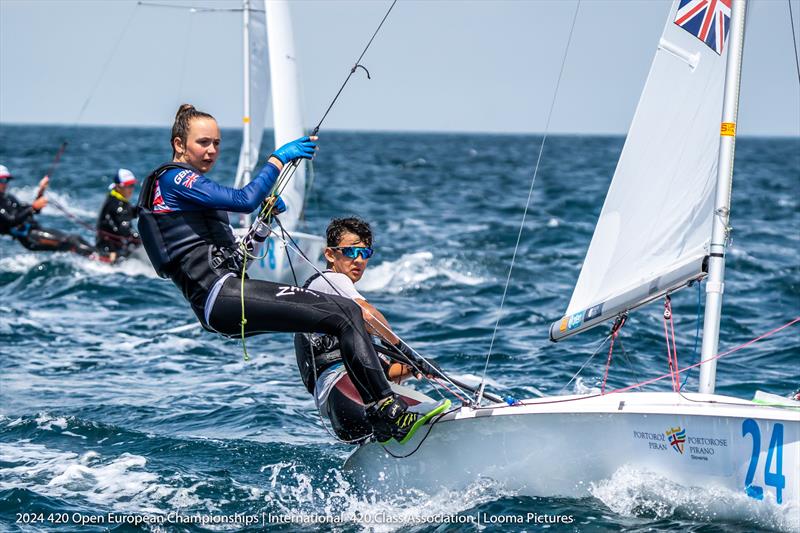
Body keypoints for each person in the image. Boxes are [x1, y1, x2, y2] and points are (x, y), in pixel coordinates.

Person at [136, 104, 449, 445]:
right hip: (221, 297)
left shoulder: (194, 200)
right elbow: (243, 199)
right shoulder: (173, 179)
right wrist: (277, 158)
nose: (211, 150)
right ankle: (385, 410)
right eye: (202, 143)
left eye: (217, 143)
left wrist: (264, 223)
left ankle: (366, 408)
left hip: (225, 298)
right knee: (347, 312)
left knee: (335, 318)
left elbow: (238, 264)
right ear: (180, 144)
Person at [294, 217, 444, 443]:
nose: (359, 261)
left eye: (365, 254)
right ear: (330, 255)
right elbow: (367, 314)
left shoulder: (334, 303)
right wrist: (403, 350)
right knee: (443, 416)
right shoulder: (329, 280)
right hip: (351, 391)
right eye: (352, 252)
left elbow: (381, 371)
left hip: (343, 412)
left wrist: (412, 368)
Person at [0, 165, 94, 256]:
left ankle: (100, 256)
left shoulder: (8, 198)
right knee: (72, 241)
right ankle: (101, 259)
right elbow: (11, 221)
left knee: (74, 240)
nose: (5, 184)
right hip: (30, 237)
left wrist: (40, 192)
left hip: (36, 231)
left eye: (6, 180)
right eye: (2, 180)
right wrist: (33, 207)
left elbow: (31, 211)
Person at [96, 168, 141, 262]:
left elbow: (129, 213)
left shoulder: (115, 198)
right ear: (118, 187)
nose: (132, 189)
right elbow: (125, 230)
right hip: (109, 248)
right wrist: (143, 241)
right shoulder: (117, 205)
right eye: (129, 186)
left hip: (114, 243)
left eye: (133, 185)